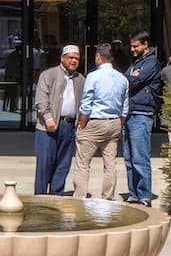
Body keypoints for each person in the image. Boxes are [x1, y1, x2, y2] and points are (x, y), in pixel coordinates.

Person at [69, 44, 128, 200]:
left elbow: (86, 103)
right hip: (114, 122)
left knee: (83, 164)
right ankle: (107, 198)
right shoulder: (122, 78)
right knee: (110, 165)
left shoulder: (93, 76)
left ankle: (80, 198)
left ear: (98, 56)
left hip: (94, 122)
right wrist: (119, 123)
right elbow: (125, 106)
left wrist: (82, 124)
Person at [32, 44, 84, 195]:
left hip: (68, 127)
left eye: (77, 58)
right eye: (71, 57)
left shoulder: (81, 79)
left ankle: (56, 196)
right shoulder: (48, 74)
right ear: (62, 58)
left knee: (63, 164)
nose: (74, 61)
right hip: (47, 127)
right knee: (44, 164)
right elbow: (41, 100)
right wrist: (48, 118)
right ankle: (40, 198)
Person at [123, 31, 162, 205]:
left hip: (141, 113)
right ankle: (133, 194)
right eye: (131, 46)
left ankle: (144, 195)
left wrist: (131, 78)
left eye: (135, 46)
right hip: (130, 112)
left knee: (140, 157)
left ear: (146, 44)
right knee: (129, 158)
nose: (132, 49)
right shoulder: (136, 63)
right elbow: (125, 79)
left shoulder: (151, 62)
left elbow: (133, 82)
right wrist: (130, 77)